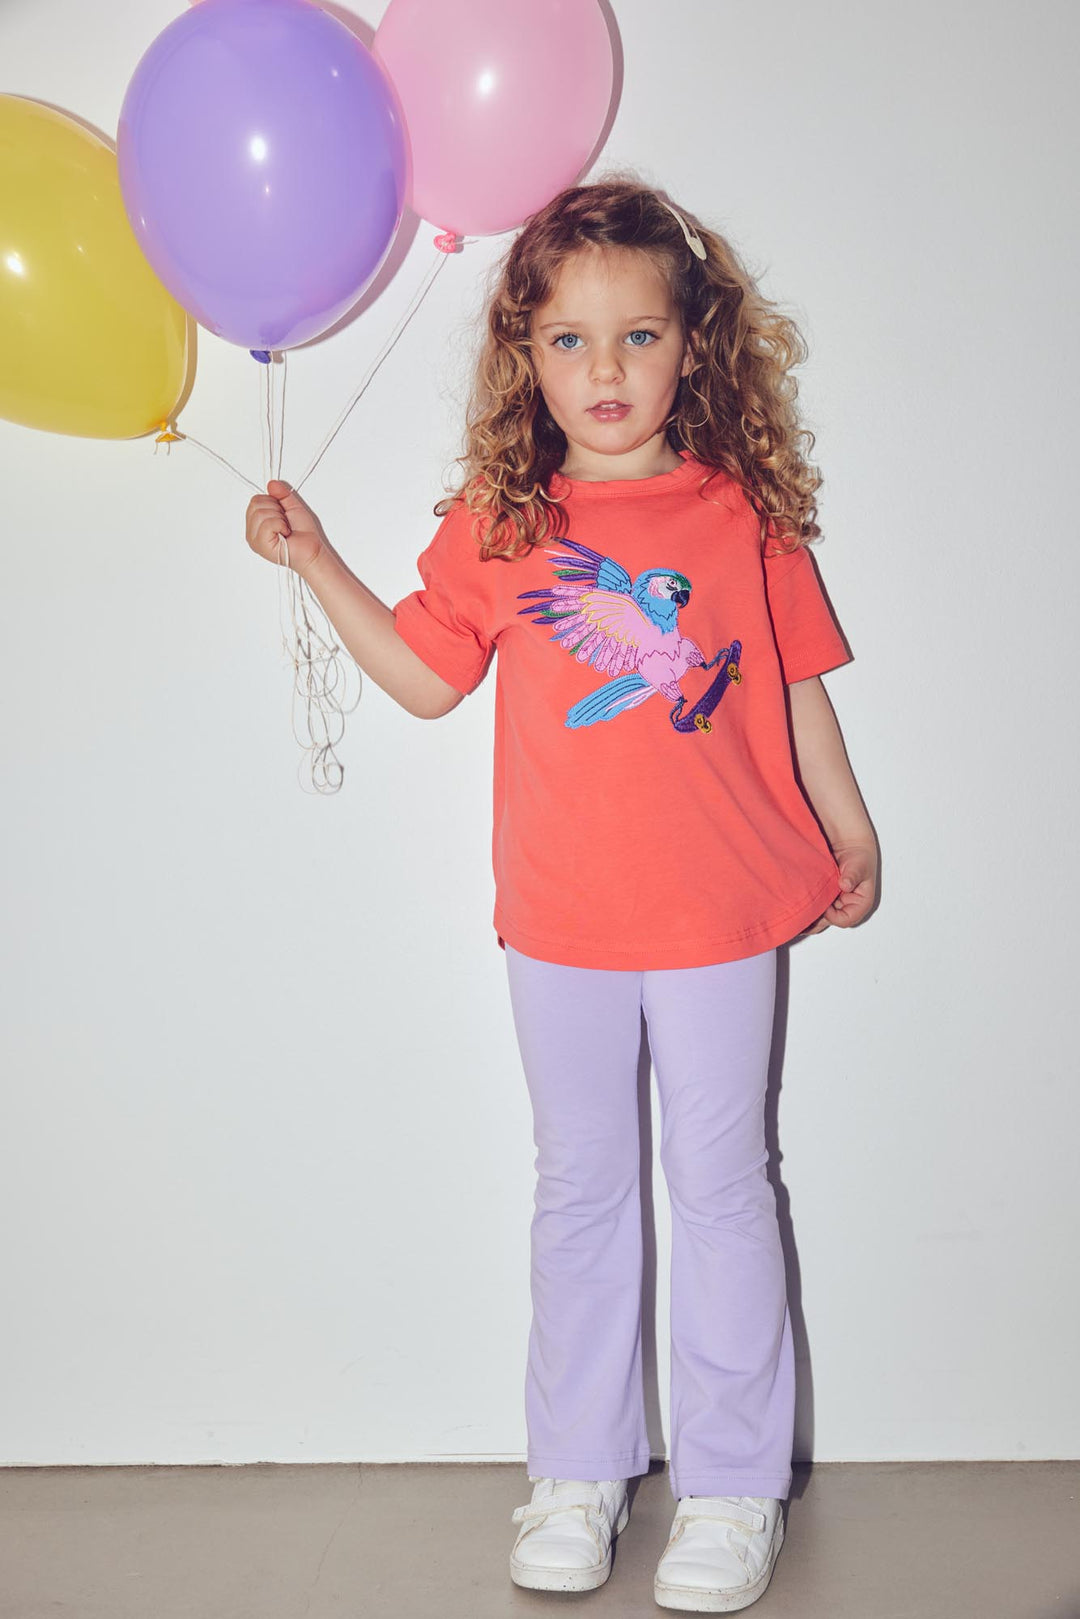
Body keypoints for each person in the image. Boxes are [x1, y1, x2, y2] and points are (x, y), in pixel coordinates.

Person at [245, 175, 878, 1614]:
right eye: (570, 340)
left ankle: (732, 1485)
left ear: (693, 344)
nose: (606, 369)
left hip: (722, 914)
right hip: (562, 920)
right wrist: (315, 560)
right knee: (581, 1193)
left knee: (723, 1188)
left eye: (639, 335)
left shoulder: (742, 513)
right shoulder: (503, 520)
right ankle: (580, 1471)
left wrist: (850, 831)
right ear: (524, 355)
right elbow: (425, 680)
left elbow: (797, 688)